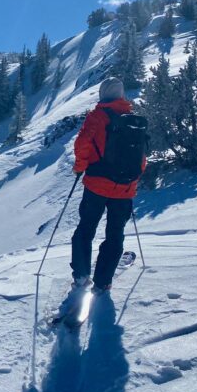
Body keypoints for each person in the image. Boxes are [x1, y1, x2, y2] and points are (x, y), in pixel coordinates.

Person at [70, 77, 146, 294]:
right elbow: (141, 158)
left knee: (86, 228)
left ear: (103, 94)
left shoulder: (97, 117)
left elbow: (82, 145)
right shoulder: (133, 119)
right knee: (115, 234)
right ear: (121, 94)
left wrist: (79, 168)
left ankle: (81, 275)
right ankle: (103, 281)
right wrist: (131, 181)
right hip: (124, 189)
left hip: (96, 184)